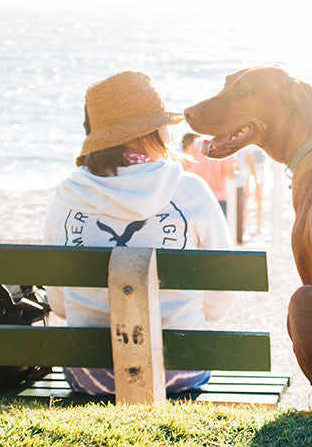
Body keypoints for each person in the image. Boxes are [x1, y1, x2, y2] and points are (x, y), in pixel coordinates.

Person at [42, 71, 237, 395]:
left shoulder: (67, 195)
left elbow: (59, 305)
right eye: (163, 123)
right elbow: (222, 295)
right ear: (152, 131)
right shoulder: (189, 190)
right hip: (180, 368)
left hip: (90, 374)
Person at [187, 137, 238, 217]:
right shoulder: (224, 145)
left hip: (199, 198)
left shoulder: (197, 144)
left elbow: (189, 169)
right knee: (219, 229)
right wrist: (237, 170)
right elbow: (231, 175)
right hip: (218, 199)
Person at [234, 145, 266, 242]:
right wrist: (255, 176)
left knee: (255, 198)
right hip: (250, 166)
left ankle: (256, 226)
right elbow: (248, 156)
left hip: (253, 166)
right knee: (250, 198)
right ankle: (251, 225)